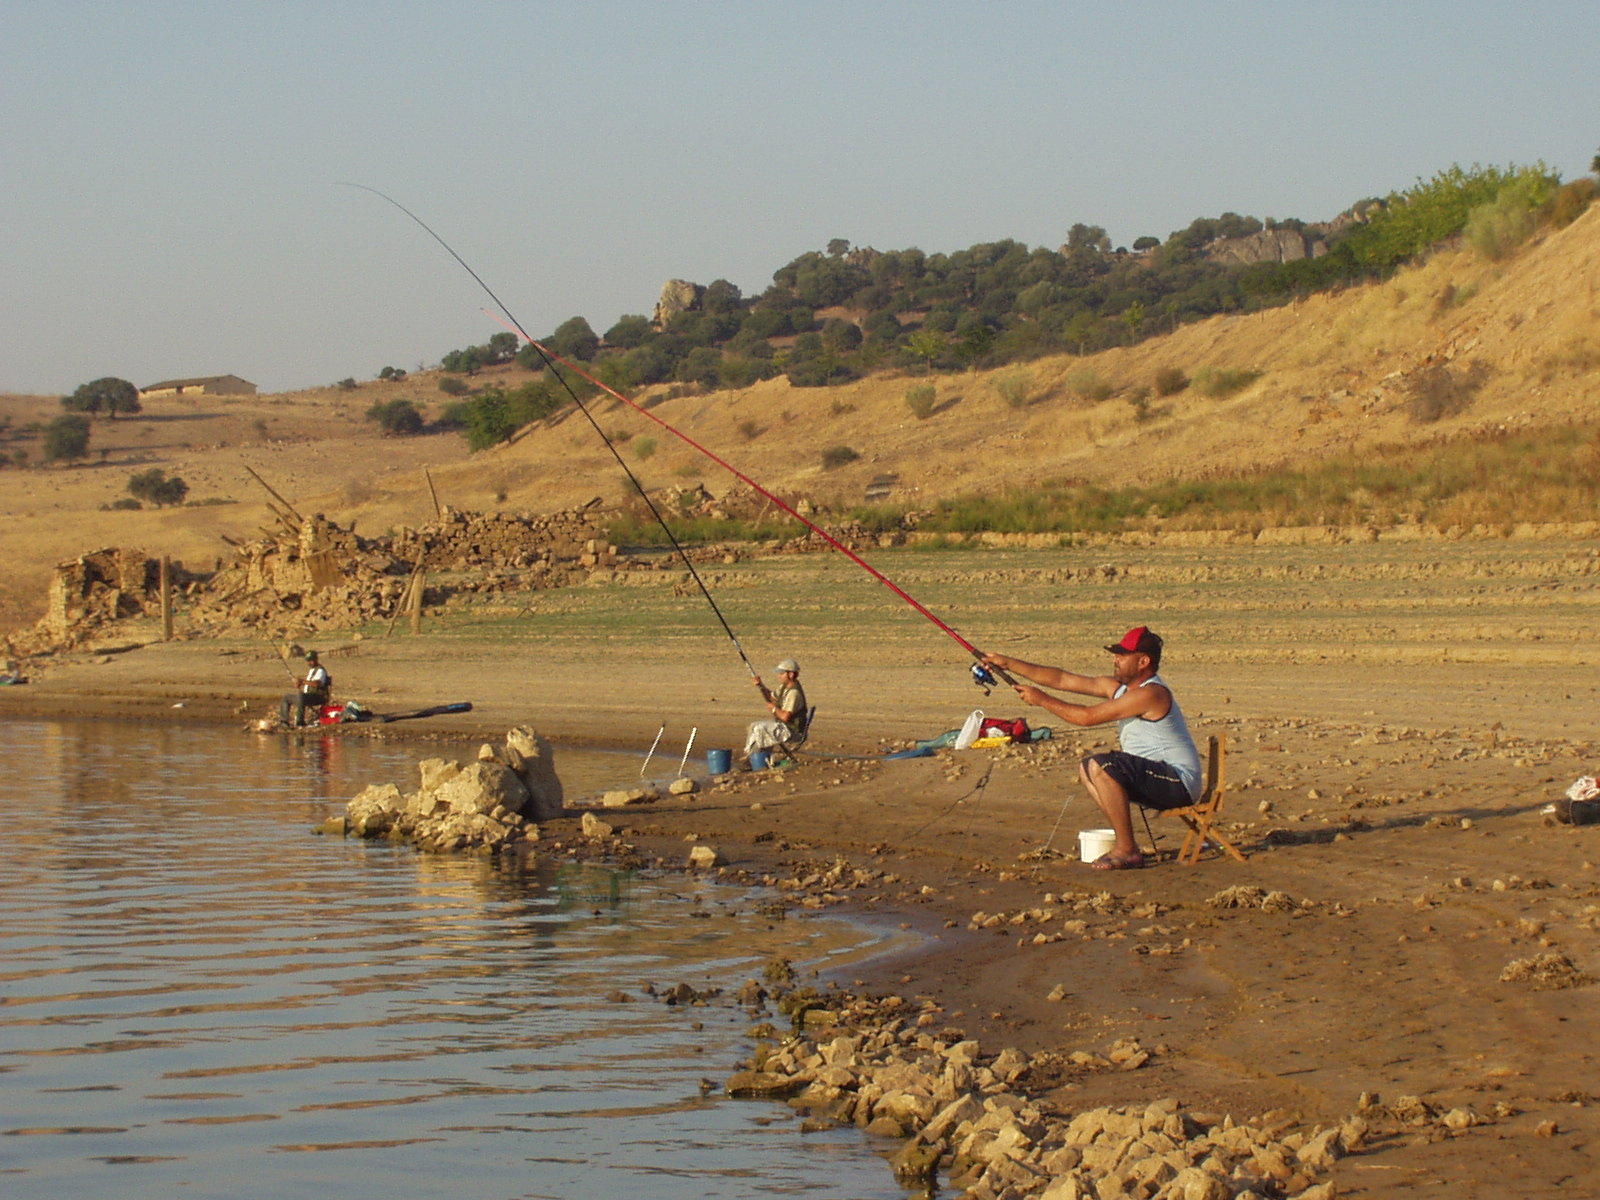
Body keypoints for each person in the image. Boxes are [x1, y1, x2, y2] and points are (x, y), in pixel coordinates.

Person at [982, 626, 1200, 870]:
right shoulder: (1118, 689)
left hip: (1178, 784)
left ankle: (1128, 849)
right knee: (1087, 768)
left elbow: (1086, 717)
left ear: (1143, 661)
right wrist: (1008, 663)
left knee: (1102, 765)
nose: (1115, 659)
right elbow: (1062, 679)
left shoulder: (1151, 693)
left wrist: (1042, 700)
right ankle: (1125, 844)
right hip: (1156, 777)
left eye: (1122, 655)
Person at [743, 658, 807, 765]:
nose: (779, 676)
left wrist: (773, 709)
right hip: (783, 727)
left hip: (791, 731)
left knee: (760, 729)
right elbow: (772, 697)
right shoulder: (784, 687)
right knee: (754, 726)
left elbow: (785, 717)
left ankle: (757, 760)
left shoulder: (794, 693)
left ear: (790, 674)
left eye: (781, 673)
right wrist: (760, 685)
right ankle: (753, 758)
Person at [278, 650, 332, 728]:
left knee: (301, 696)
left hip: (317, 697)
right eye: (307, 661)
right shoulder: (311, 671)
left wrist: (302, 681)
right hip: (306, 697)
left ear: (316, 659)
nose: (309, 663)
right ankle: (284, 722)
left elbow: (317, 684)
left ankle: (300, 722)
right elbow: (308, 684)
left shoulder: (320, 671)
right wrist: (298, 684)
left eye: (311, 660)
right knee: (286, 698)